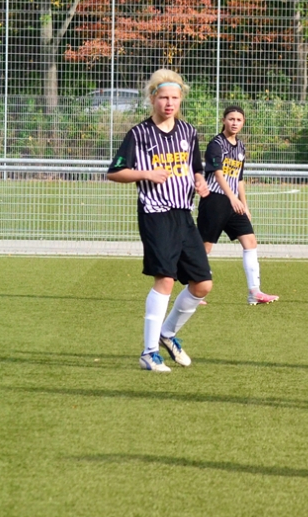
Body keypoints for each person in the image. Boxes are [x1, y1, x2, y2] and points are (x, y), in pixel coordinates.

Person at [107, 69, 212, 372]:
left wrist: (200, 181)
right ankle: (149, 352)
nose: (169, 103)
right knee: (165, 278)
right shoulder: (139, 134)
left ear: (181, 99)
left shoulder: (188, 132)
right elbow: (114, 172)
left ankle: (167, 333)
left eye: (174, 98)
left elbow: (195, 168)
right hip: (155, 214)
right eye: (163, 97)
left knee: (203, 285)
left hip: (183, 214)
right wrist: (146, 174)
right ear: (152, 98)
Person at [197, 105, 279, 306]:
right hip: (215, 200)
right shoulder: (216, 144)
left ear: (243, 123)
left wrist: (244, 204)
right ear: (224, 121)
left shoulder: (241, 147)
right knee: (205, 247)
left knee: (250, 241)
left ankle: (254, 292)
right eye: (231, 119)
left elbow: (239, 178)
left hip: (234, 202)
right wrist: (232, 198)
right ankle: (194, 293)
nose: (234, 123)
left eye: (238, 120)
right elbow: (218, 174)